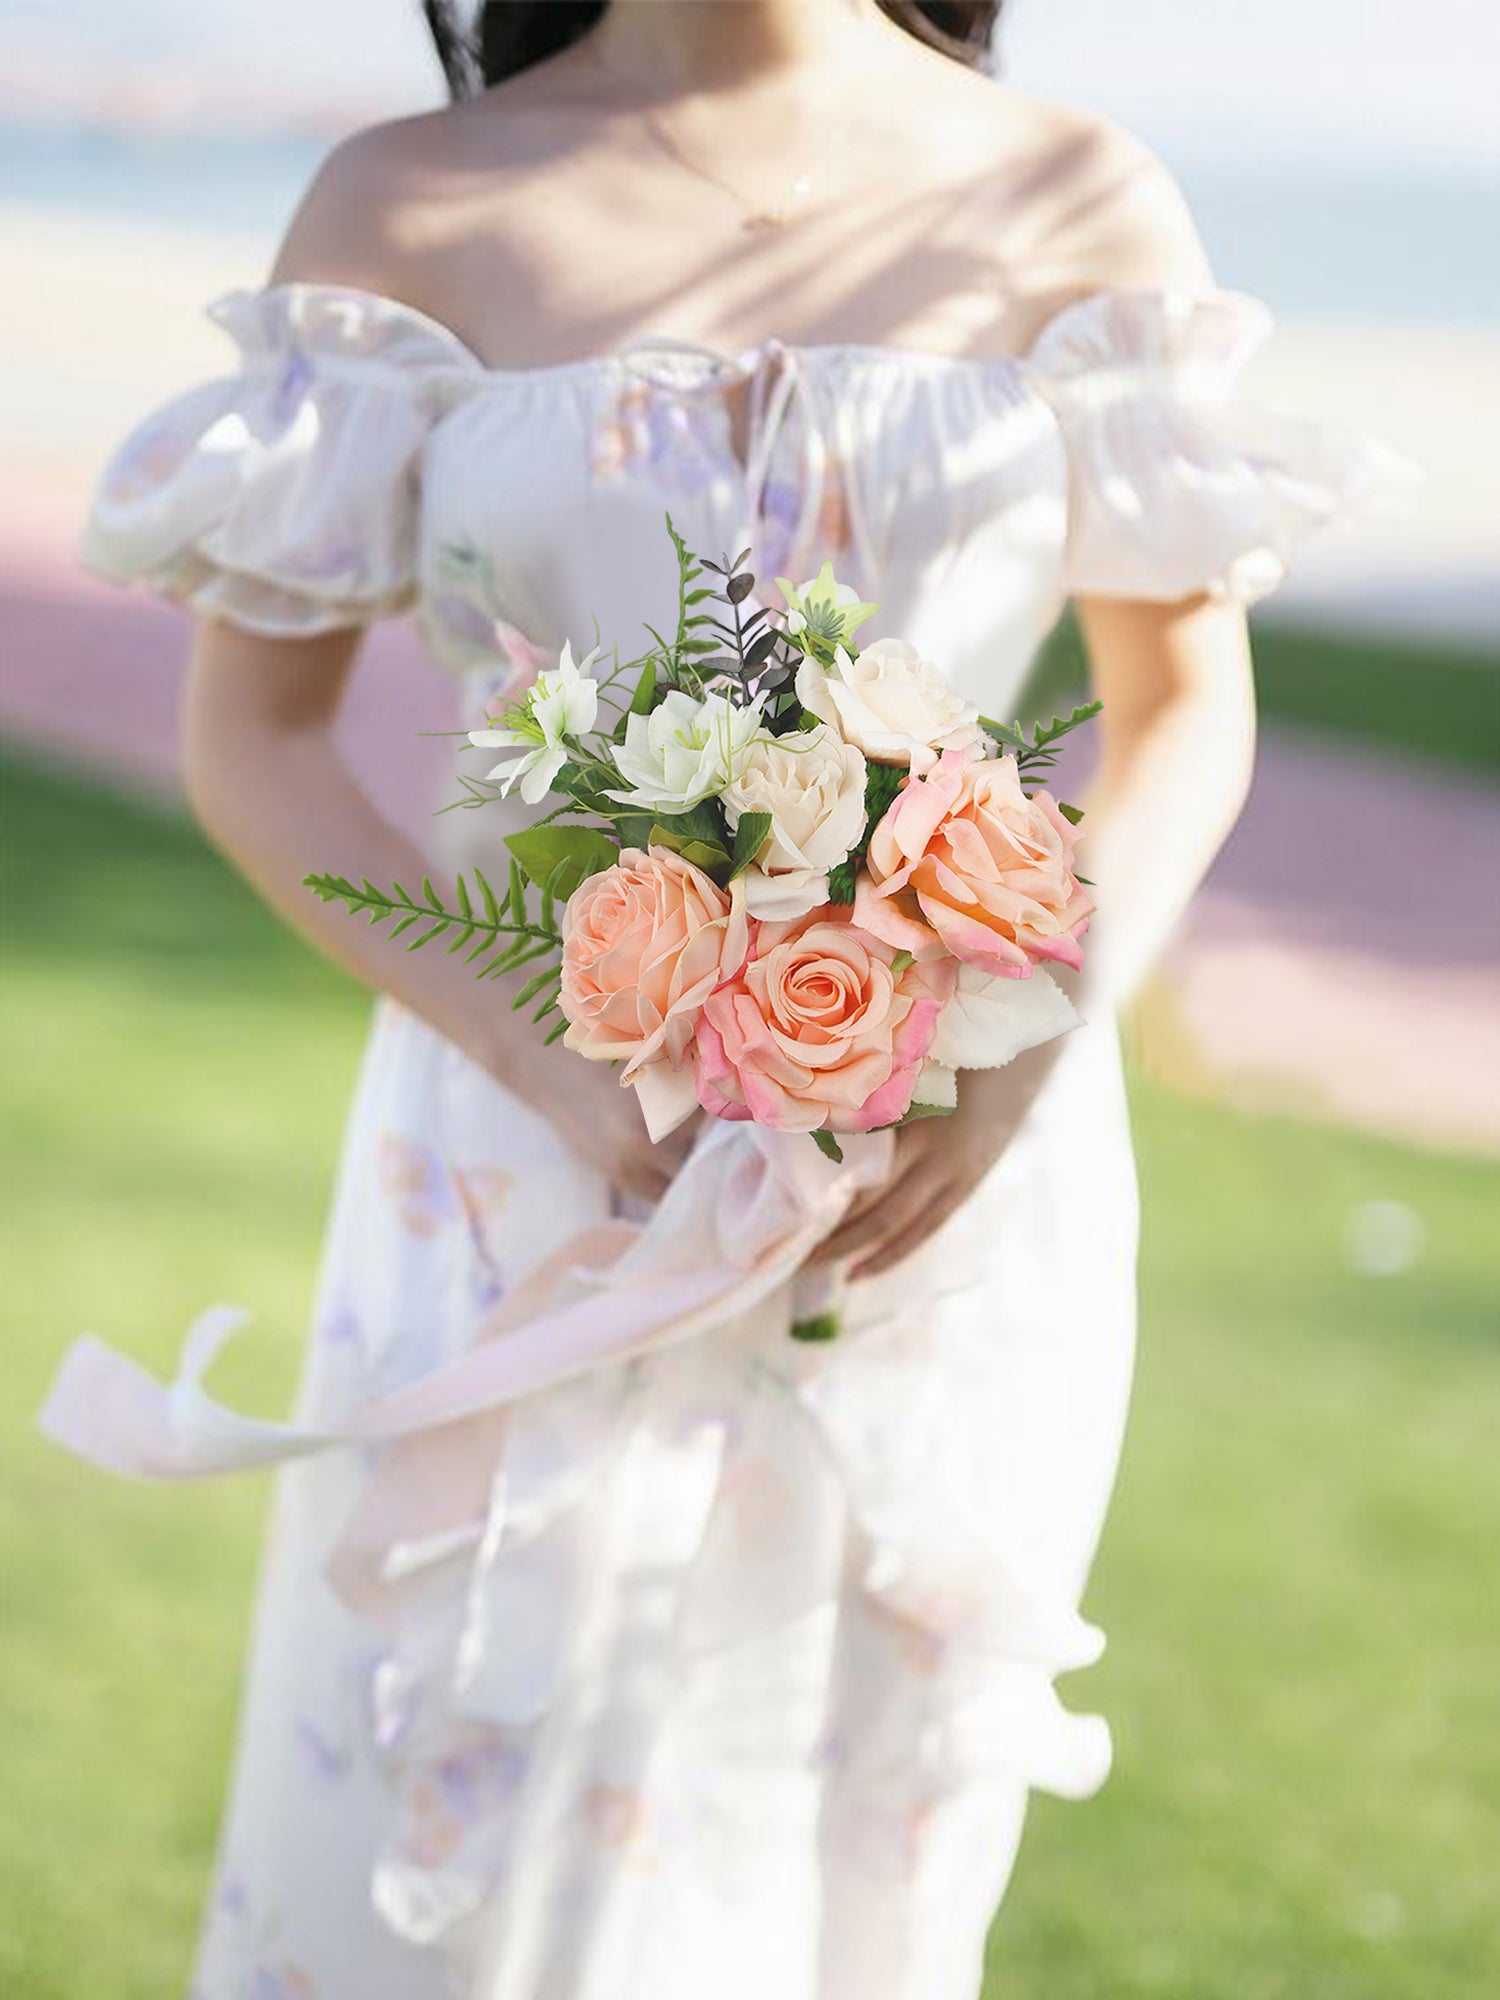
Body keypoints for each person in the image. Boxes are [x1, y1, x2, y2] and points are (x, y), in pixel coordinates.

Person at [74, 3, 1402, 1994]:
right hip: (525, 1157)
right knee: (441, 1798)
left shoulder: (1072, 194)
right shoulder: (408, 203)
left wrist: (1034, 1030)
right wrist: (536, 1040)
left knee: (849, 1849)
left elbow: (1182, 705)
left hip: (948, 1163)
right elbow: (258, 739)